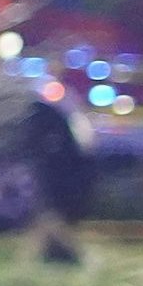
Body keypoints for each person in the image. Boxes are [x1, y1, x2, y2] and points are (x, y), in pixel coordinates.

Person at [16, 92, 96, 266]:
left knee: (50, 220)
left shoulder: (52, 118)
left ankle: (60, 253)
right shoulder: (61, 117)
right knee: (50, 220)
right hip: (57, 186)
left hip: (56, 186)